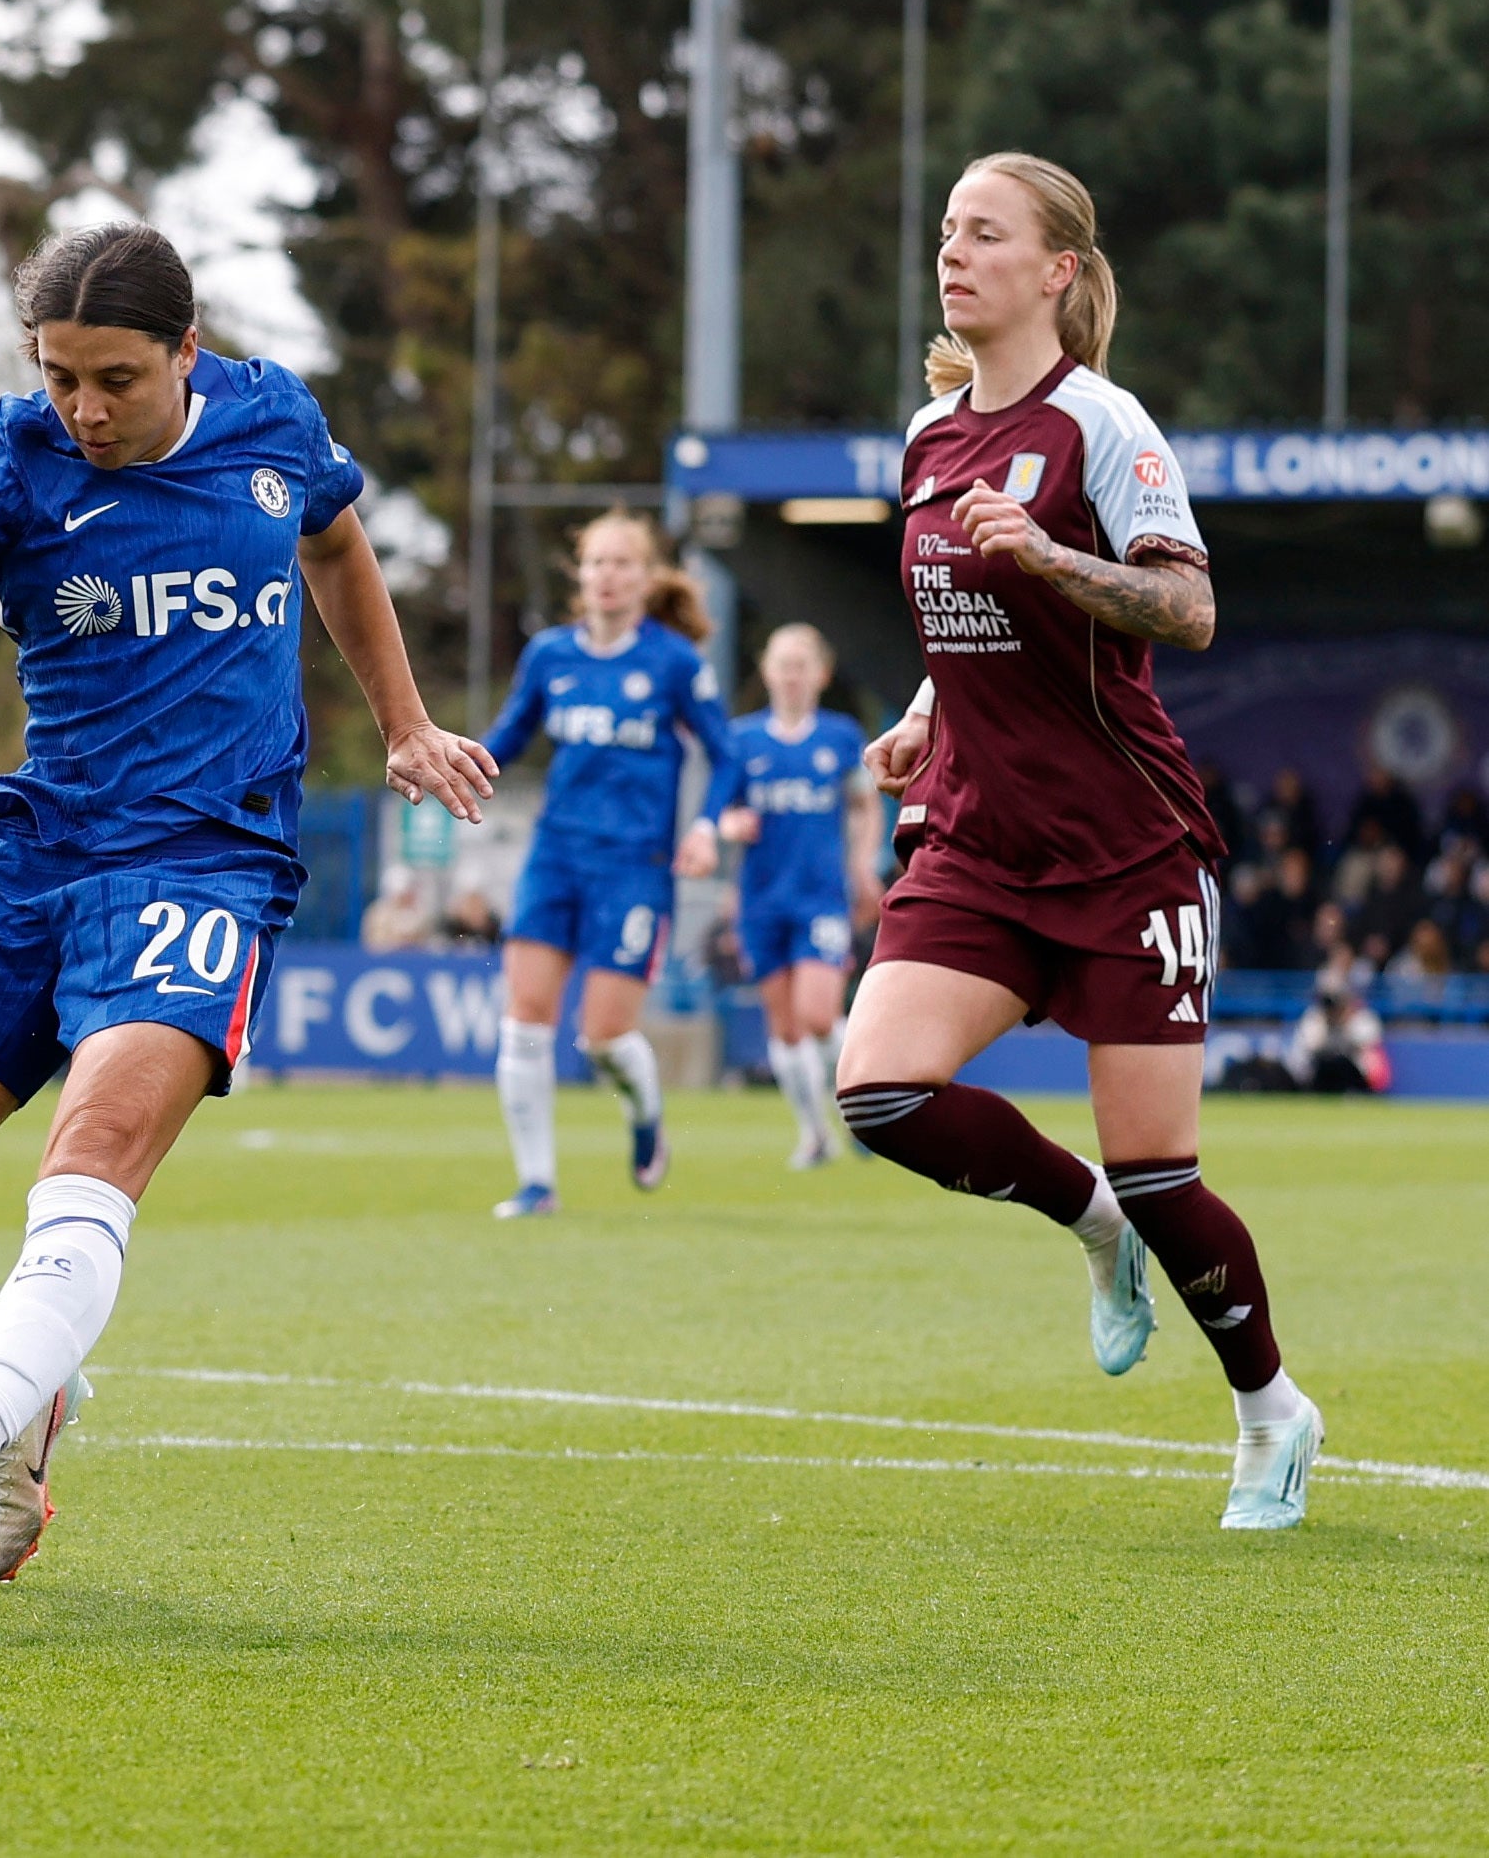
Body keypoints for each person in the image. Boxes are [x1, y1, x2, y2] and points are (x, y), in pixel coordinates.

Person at [0, 222, 495, 1581]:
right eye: (59, 375)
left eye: (114, 376)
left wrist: (401, 723)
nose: (85, 408)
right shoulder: (13, 457)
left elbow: (338, 549)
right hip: (39, 854)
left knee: (89, 1152)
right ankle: (29, 1397)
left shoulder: (273, 421)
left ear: (185, 351)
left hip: (204, 862)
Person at [839, 150, 1321, 1530]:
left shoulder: (1102, 423)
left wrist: (1048, 557)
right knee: (876, 1092)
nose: (953, 254)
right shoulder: (927, 436)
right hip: (979, 839)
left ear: (1055, 270)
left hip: (1124, 849)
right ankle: (1086, 1227)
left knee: (1160, 1169)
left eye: (984, 235)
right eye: (945, 231)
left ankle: (1268, 1411)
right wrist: (924, 710)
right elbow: (959, 618)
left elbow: (1186, 612)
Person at [475, 508, 737, 1217]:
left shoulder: (674, 662)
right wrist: (451, 764)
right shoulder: (551, 655)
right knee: (525, 1020)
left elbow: (727, 754)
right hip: (556, 855)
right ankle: (536, 1184)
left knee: (603, 1037)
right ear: (580, 576)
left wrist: (709, 827)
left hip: (635, 866)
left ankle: (646, 1115)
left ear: (647, 577)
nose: (608, 576)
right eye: (596, 563)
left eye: (623, 563)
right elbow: (507, 737)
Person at [713, 623, 881, 1167]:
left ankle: (867, 1106)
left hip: (820, 896)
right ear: (765, 670)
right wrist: (729, 826)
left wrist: (862, 865)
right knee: (783, 1026)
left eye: (801, 664)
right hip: (762, 897)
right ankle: (814, 1135)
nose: (790, 675)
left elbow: (865, 805)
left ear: (821, 674)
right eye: (782, 663)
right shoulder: (742, 739)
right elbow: (720, 810)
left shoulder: (839, 735)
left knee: (816, 1013)